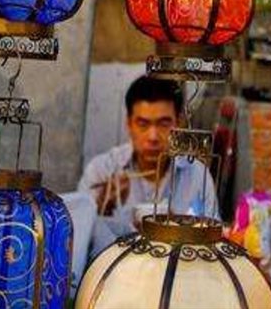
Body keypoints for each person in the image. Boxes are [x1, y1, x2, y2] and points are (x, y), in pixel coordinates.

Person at [78, 76, 219, 254]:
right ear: (129, 124)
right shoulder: (102, 171)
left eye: (163, 124)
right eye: (143, 124)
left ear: (179, 123)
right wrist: (100, 208)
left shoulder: (197, 175)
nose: (152, 137)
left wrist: (179, 230)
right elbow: (78, 244)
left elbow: (213, 245)